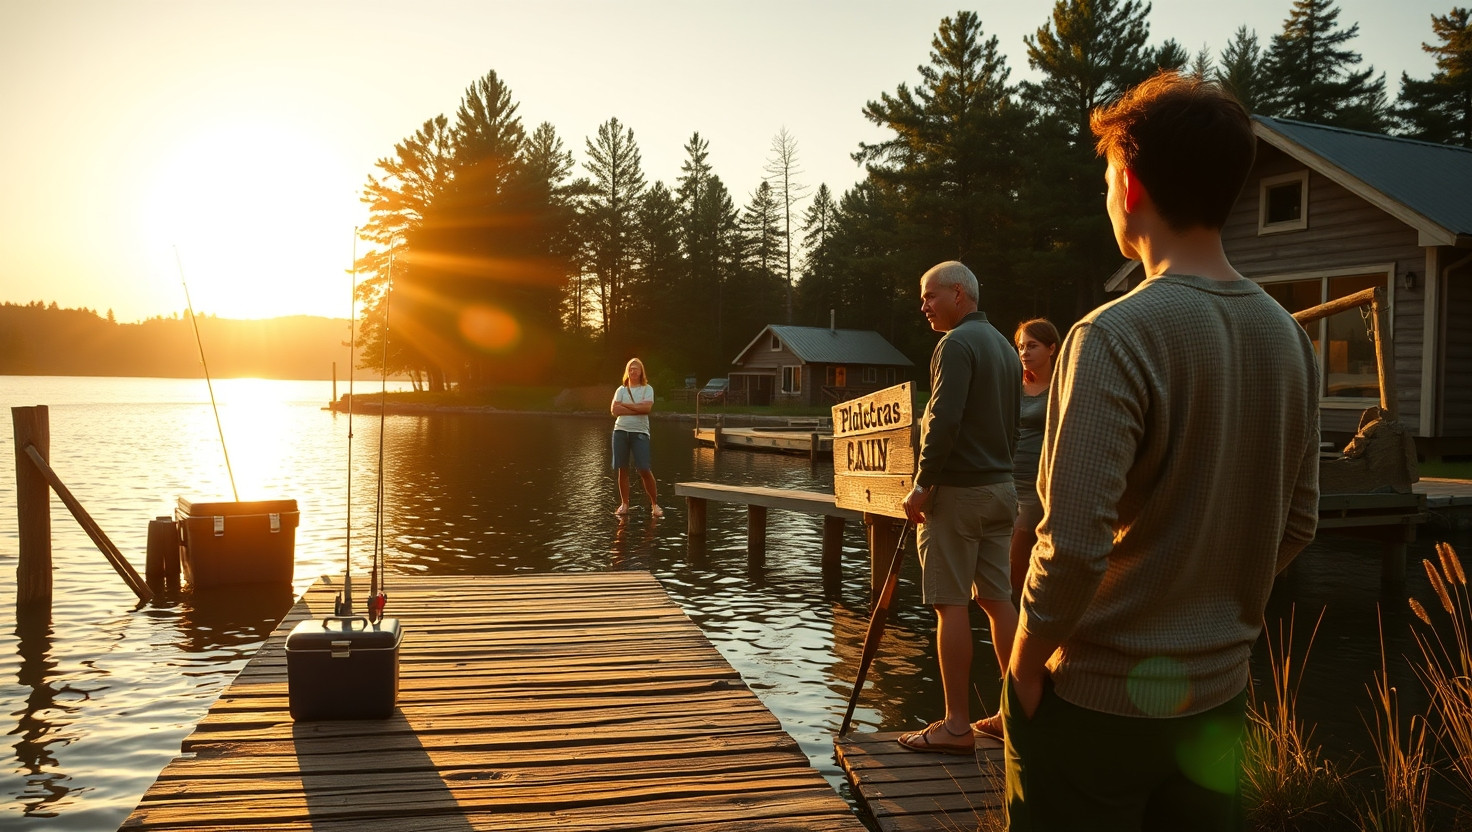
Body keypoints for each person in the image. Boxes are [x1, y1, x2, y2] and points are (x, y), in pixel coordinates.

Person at [1004, 72, 1320, 831]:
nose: (1107, 192)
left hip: (1097, 706)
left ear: (1133, 183)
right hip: (1218, 700)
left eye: (1109, 172)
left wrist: (1022, 662)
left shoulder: (1113, 335)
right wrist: (1204, 603)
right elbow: (1300, 522)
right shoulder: (1291, 339)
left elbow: (1075, 546)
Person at [897, 260, 1021, 755]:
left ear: (957, 294)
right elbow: (1010, 425)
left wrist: (923, 484)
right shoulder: (1006, 349)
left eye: (929, 296)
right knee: (997, 600)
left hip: (960, 494)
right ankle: (1016, 715)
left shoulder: (956, 344)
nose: (923, 305)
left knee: (950, 605)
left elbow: (944, 420)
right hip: (1001, 490)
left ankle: (955, 726)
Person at [1007, 319, 1059, 603]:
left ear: (1051, 348)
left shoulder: (1062, 387)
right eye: (1020, 347)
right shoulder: (1012, 386)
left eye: (1032, 346)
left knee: (1017, 573)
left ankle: (1022, 635)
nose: (1024, 353)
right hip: (1004, 482)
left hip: (1038, 488)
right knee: (998, 575)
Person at [610, 358, 663, 518]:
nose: (633, 371)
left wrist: (625, 406)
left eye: (636, 369)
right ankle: (625, 504)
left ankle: (655, 504)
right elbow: (614, 410)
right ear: (627, 371)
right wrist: (636, 409)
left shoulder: (647, 389)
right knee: (622, 469)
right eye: (630, 369)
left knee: (644, 469)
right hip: (620, 431)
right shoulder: (621, 390)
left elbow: (646, 408)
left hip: (640, 433)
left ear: (641, 372)